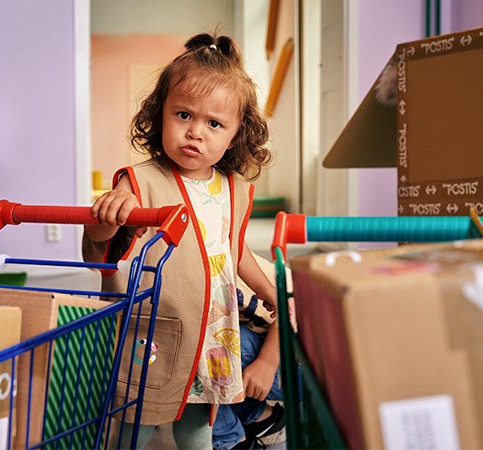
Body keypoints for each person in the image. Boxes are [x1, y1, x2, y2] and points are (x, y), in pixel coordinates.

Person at [82, 31, 278, 449]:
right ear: (160, 113)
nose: (195, 133)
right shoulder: (138, 181)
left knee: (199, 418)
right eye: (183, 115)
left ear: (235, 133)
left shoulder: (235, 188)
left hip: (212, 328)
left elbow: (235, 250)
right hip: (153, 327)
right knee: (135, 417)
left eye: (214, 123)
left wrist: (269, 291)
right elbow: (102, 243)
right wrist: (109, 213)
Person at [213, 253, 287, 450]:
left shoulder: (224, 257)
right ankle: (262, 420)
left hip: (307, 364)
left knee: (211, 353)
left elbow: (294, 309)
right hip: (263, 344)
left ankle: (230, 441)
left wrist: (267, 362)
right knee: (206, 348)